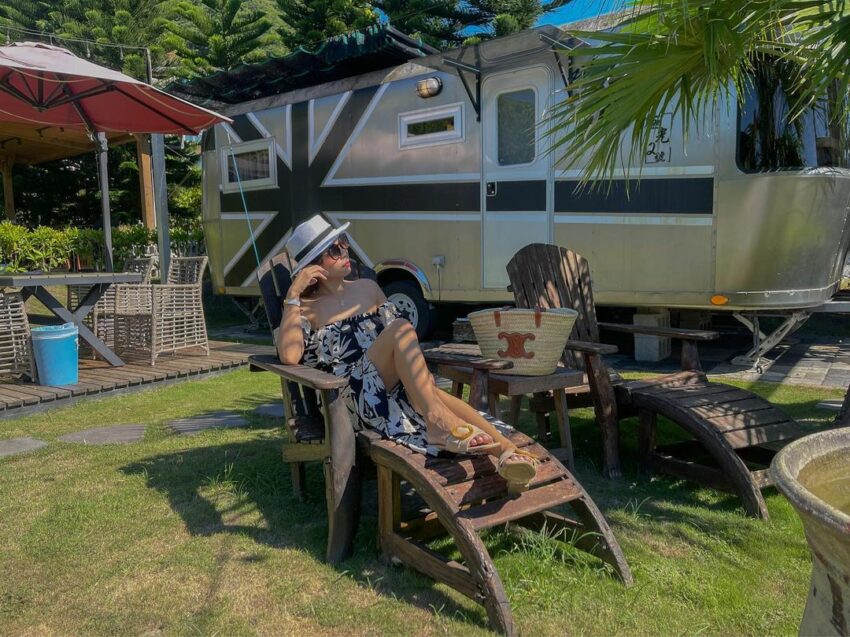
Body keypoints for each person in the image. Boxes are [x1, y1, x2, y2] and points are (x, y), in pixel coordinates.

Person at [276, 215, 537, 492]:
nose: (345, 251)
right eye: (334, 249)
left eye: (344, 243)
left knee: (429, 392)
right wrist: (293, 293)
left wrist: (419, 378)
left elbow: (403, 345)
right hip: (350, 397)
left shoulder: (368, 289)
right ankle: (437, 421)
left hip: (395, 385)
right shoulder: (304, 308)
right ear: (314, 267)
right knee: (401, 330)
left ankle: (505, 453)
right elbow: (290, 356)